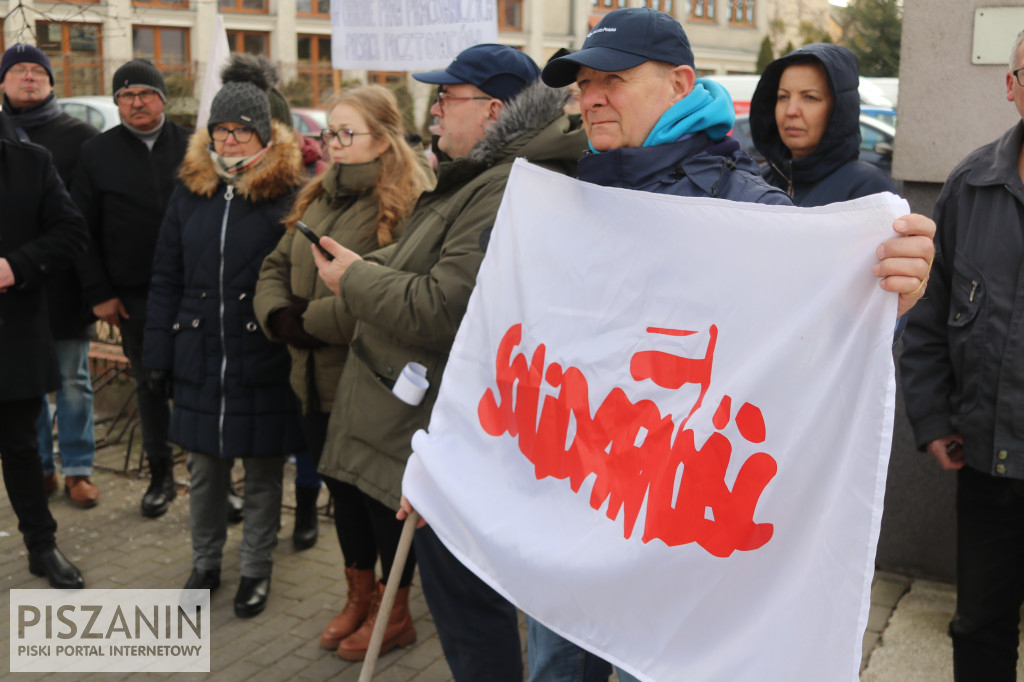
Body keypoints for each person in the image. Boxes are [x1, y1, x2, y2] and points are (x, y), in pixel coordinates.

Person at [535, 8, 936, 681]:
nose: (592, 96)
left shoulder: (745, 208)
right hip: (573, 496)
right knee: (554, 669)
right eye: (582, 84)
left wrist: (889, 300)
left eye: (614, 79)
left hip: (669, 526)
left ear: (680, 82)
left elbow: (819, 345)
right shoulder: (577, 194)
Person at [311, 44, 589, 674]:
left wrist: (352, 283)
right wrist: (360, 270)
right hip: (446, 432)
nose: (434, 110)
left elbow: (443, 306)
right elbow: (417, 260)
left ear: (493, 110)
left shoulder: (501, 187)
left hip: (460, 435)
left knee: (472, 621)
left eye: (447, 96)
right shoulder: (478, 176)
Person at [254, 84, 433, 657]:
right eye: (329, 132)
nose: (331, 143)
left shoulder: (407, 200)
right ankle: (358, 595)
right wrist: (279, 316)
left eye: (345, 132)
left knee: (378, 497)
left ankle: (394, 608)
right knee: (341, 494)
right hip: (310, 378)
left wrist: (311, 323)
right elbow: (275, 264)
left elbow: (392, 297)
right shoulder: (318, 193)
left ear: (383, 138)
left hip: (369, 381)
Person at [141, 66, 306, 619]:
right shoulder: (191, 191)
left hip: (261, 354)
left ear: (264, 134)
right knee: (206, 471)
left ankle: (256, 569)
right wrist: (157, 355)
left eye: (241, 130)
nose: (229, 140)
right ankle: (205, 562)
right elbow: (165, 275)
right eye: (221, 130)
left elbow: (298, 279)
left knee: (262, 472)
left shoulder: (288, 195)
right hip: (198, 353)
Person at [900, 28, 1024, 682]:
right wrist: (933, 419)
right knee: (978, 628)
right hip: (988, 465)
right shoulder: (971, 187)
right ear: (1012, 87)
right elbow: (925, 319)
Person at [73, 59, 190, 518]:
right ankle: (161, 476)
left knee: (201, 387)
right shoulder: (96, 153)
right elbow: (81, 229)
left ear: (163, 98)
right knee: (150, 384)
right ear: (117, 102)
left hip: (195, 289)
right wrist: (98, 291)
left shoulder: (194, 146)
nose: (136, 101)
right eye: (126, 94)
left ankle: (211, 478)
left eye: (145, 92)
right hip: (135, 295)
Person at [0, 44, 102, 508]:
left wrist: (96, 286)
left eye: (36, 71)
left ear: (52, 82)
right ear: (2, 83)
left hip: (64, 285)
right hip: (14, 298)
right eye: (17, 70)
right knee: (27, 386)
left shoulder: (79, 135)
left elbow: (86, 221)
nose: (27, 77)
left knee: (73, 381)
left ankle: (78, 468)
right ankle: (39, 465)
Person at [0, 110, 87, 589]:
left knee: (20, 447)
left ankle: (41, 545)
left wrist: (15, 266)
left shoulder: (30, 162)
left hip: (10, 333)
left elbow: (71, 234)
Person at [749, 43, 896, 206]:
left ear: (839, 108)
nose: (791, 111)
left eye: (810, 97)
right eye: (783, 97)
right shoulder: (757, 181)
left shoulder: (868, 189)